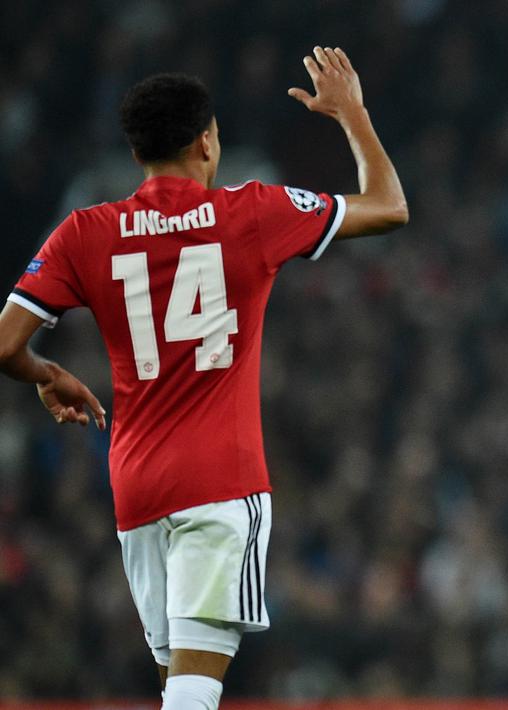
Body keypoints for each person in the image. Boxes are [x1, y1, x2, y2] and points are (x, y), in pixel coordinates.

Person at [0, 47, 406, 710]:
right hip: (221, 482)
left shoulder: (84, 232)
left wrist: (47, 373)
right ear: (208, 140)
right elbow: (389, 206)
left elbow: (4, 345)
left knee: (180, 686)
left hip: (135, 486)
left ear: (136, 155)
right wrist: (352, 114)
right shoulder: (251, 213)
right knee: (193, 694)